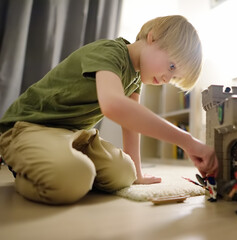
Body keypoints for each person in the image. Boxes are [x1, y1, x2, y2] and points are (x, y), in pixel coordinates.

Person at [0, 15, 218, 205]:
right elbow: (114, 105)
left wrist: (138, 174)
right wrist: (187, 141)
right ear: (153, 37)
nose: (167, 79)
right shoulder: (111, 52)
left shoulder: (135, 79)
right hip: (30, 126)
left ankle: (64, 169)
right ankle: (29, 171)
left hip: (73, 135)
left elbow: (130, 124)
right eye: (171, 67)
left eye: (174, 78)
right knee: (74, 177)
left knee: (124, 173)